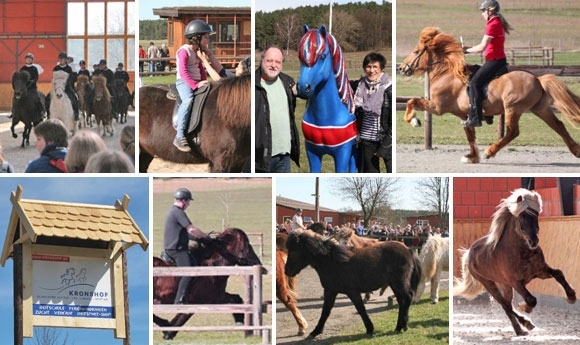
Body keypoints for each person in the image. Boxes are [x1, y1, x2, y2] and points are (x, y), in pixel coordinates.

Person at [173, 19, 224, 152]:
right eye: (206, 37)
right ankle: (179, 134)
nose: (208, 40)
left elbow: (200, 68)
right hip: (184, 82)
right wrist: (195, 85)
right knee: (188, 100)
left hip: (197, 81)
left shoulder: (198, 51)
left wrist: (204, 81)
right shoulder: (184, 51)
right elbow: (183, 72)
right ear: (196, 38)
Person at [463, 0, 513, 127]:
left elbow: (482, 47)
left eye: (483, 11)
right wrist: (468, 48)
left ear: (490, 10)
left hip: (494, 61)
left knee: (474, 83)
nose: (482, 14)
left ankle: (475, 117)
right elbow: (482, 46)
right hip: (495, 60)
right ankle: (488, 114)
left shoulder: (493, 24)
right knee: (474, 72)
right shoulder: (495, 22)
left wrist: (466, 50)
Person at [255, 45, 300, 173]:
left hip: (284, 155)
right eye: (269, 61)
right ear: (262, 61)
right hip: (259, 157)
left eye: (278, 62)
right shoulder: (252, 84)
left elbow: (307, 91)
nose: (273, 65)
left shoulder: (287, 82)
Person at [163, 188, 212, 304]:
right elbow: (191, 229)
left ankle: (189, 295)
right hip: (177, 250)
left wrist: (198, 239)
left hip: (175, 248)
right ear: (183, 201)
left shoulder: (172, 211)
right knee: (188, 271)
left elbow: (184, 234)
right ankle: (179, 300)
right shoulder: (178, 212)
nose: (189, 204)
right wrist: (205, 237)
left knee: (195, 264)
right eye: (188, 201)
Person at [352, 52, 392, 173]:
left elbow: (392, 123)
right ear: (364, 68)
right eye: (368, 67)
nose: (371, 70)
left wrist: (384, 147)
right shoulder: (360, 86)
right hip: (366, 140)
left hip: (385, 140)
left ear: (381, 69)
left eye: (375, 67)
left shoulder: (389, 89)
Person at [51, 51, 80, 121]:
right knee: (47, 99)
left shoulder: (69, 69)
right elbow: (54, 78)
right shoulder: (56, 68)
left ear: (65, 60)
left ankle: (76, 113)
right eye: (60, 58)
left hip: (67, 87)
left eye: (63, 59)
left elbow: (70, 79)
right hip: (57, 88)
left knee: (74, 97)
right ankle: (48, 114)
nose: (61, 60)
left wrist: (65, 85)